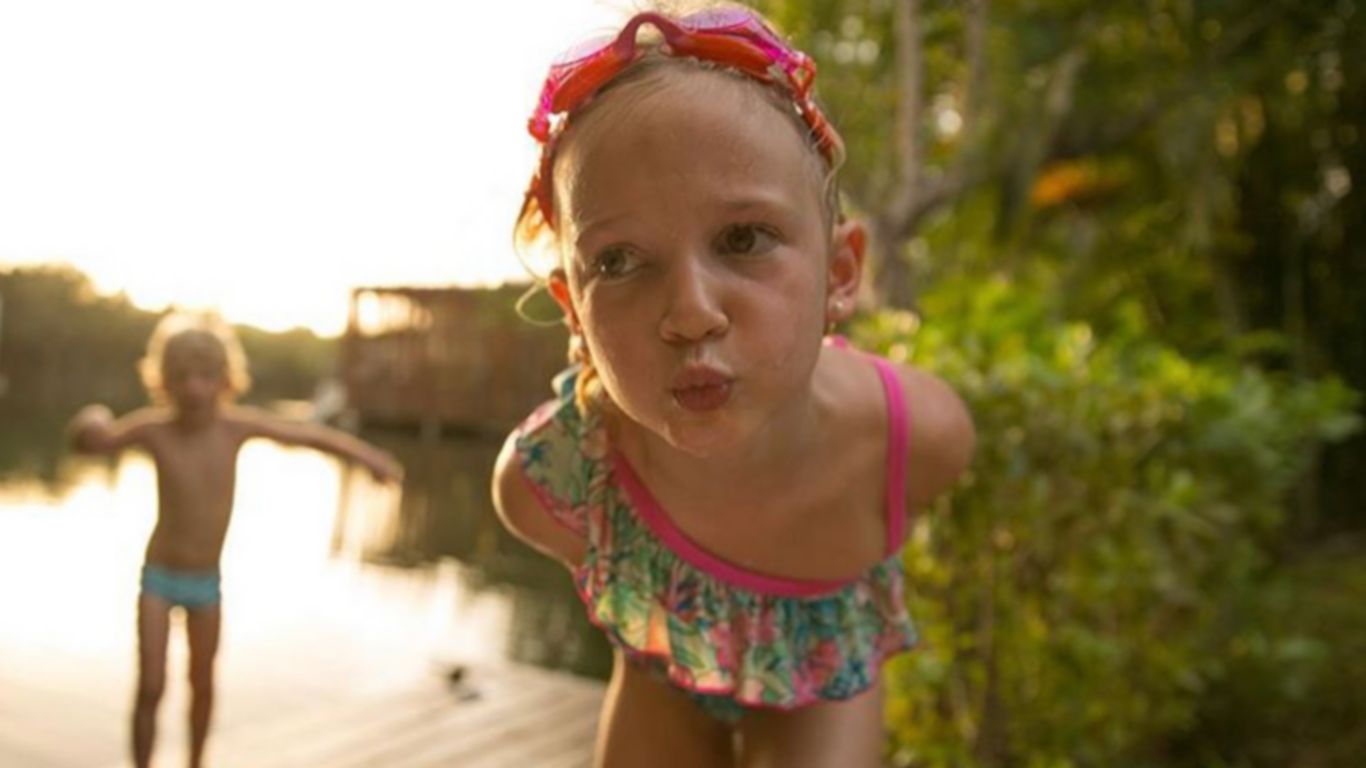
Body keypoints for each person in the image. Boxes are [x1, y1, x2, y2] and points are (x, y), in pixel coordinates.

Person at [491, 5, 976, 767]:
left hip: (822, 672)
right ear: (574, 311)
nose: (689, 314)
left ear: (841, 274)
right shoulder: (554, 481)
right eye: (618, 261)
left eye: (743, 239)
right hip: (662, 665)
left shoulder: (916, 437)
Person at [67, 311, 402, 768]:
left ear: (225, 381)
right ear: (164, 381)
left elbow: (307, 435)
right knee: (150, 687)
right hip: (159, 580)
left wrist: (370, 458)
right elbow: (94, 442)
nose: (194, 388)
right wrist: (93, 420)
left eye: (205, 377)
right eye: (182, 377)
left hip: (207, 583)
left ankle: (196, 762)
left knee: (202, 684)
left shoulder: (236, 428)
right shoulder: (153, 429)